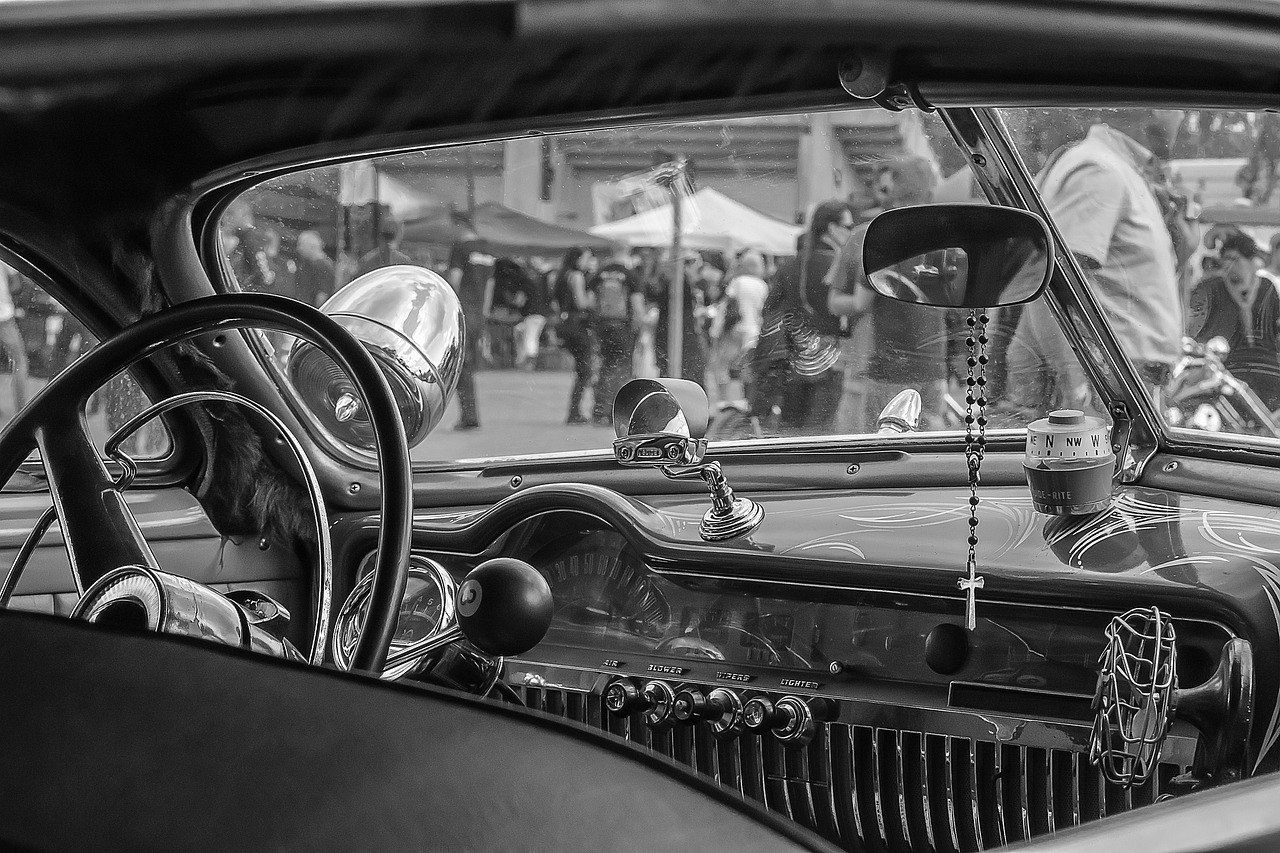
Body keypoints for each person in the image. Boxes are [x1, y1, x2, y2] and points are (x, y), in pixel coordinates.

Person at [999, 110, 1185, 419]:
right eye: (1179, 105)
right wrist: (1076, 391)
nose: (1183, 114)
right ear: (1152, 107)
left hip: (1115, 381)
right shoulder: (1100, 169)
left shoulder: (1111, 167)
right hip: (1109, 385)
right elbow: (1052, 283)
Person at [828, 157, 949, 430]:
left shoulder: (885, 237)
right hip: (902, 364)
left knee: (882, 442)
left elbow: (855, 301)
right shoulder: (870, 236)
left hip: (899, 365)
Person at [753, 200, 854, 434]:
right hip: (829, 360)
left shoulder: (791, 264)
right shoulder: (838, 265)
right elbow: (850, 316)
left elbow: (769, 309)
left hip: (794, 360)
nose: (851, 232)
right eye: (849, 226)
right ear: (832, 228)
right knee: (821, 435)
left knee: (792, 434)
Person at [1187, 226, 1280, 409]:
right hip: (1225, 379)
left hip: (1268, 378)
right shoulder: (1212, 289)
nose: (1229, 267)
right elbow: (1196, 335)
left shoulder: (1266, 287)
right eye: (1225, 260)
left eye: (1235, 259)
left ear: (1253, 262)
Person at [587, 244, 644, 425]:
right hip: (622, 327)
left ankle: (599, 409)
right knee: (622, 368)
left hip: (602, 327)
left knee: (604, 365)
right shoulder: (630, 275)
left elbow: (589, 302)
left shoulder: (599, 274)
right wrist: (639, 328)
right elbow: (637, 306)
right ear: (627, 252)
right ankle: (616, 409)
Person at [447, 227, 496, 430]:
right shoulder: (487, 250)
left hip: (462, 311)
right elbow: (490, 285)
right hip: (478, 313)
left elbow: (454, 279)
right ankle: (470, 414)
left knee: (461, 365)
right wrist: (484, 314)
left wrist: (450, 308)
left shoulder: (460, 248)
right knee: (469, 364)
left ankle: (469, 416)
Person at [553, 247, 596, 424]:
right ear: (578, 259)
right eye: (587, 258)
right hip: (577, 326)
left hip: (565, 324)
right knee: (585, 369)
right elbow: (581, 303)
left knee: (581, 369)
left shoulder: (562, 275)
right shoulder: (577, 276)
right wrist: (592, 298)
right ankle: (574, 411)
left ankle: (574, 410)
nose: (589, 262)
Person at [0, 262, 28, 417]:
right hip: (3, 316)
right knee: (20, 361)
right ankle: (22, 410)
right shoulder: (3, 254)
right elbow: (16, 285)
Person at [295, 230, 335, 306]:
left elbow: (323, 294)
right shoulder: (315, 264)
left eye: (301, 245)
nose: (299, 249)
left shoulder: (322, 266)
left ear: (311, 246)